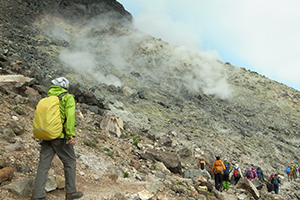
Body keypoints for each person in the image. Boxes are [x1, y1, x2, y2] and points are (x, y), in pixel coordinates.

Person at [32, 77, 83, 200]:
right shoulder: (67, 97)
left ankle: (38, 195)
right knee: (70, 162)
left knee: (43, 166)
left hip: (46, 136)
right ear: (66, 87)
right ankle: (70, 192)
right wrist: (71, 134)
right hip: (60, 137)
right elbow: (70, 117)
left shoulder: (47, 98)